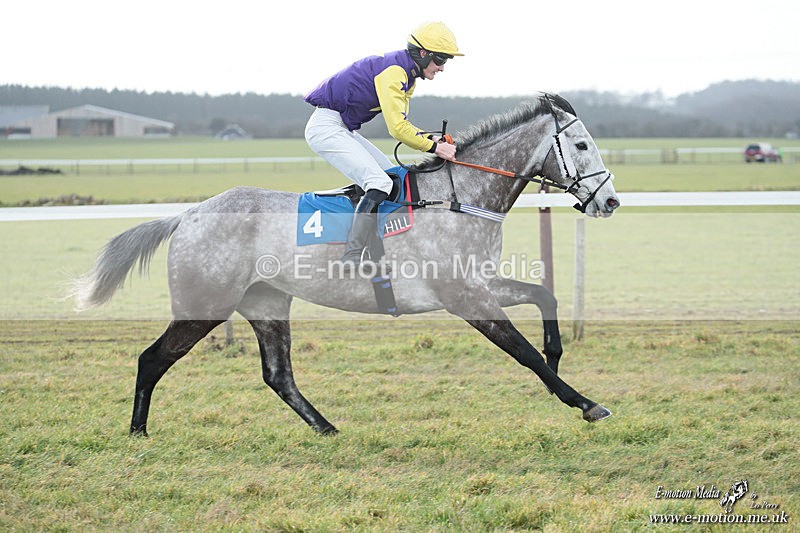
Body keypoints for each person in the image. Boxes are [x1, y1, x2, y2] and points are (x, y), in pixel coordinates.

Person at [304, 21, 463, 270]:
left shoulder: (408, 76)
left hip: (342, 128)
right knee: (379, 183)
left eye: (446, 61)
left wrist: (430, 138)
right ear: (422, 54)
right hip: (326, 128)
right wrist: (434, 149)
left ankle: (377, 245)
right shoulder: (395, 72)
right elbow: (397, 129)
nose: (442, 68)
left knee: (390, 178)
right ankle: (352, 256)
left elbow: (403, 122)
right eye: (440, 59)